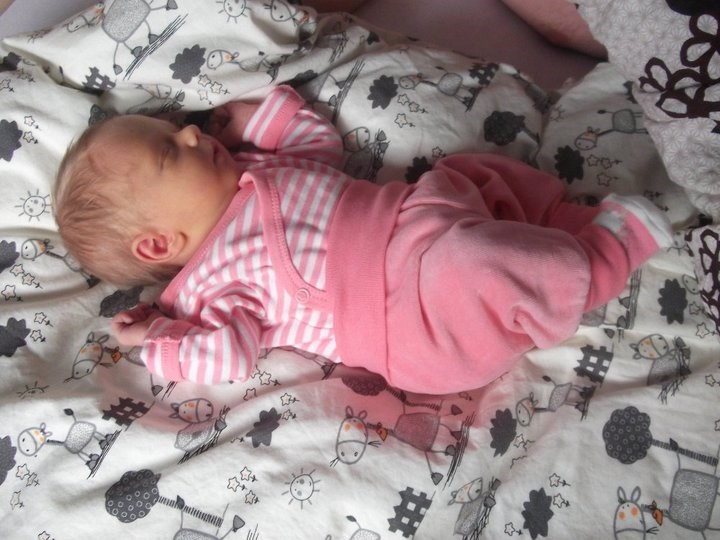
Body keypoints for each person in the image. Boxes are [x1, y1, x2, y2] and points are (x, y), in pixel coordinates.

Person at [53, 85, 673, 394]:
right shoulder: (206, 288)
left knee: (474, 173)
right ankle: (604, 257)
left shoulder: (255, 170)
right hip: (405, 317)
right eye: (170, 152)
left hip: (418, 215)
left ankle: (563, 221)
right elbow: (228, 355)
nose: (190, 135)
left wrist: (256, 117)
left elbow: (317, 145)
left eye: (177, 130)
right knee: (473, 263)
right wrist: (156, 338)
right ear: (157, 246)